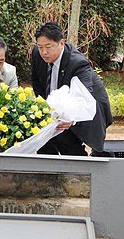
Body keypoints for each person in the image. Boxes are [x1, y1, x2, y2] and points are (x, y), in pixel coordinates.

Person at [31, 22, 113, 157]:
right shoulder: (37, 54)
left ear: (61, 43)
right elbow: (36, 82)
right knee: (44, 139)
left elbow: (84, 96)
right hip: (57, 110)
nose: (44, 52)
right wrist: (45, 109)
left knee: (69, 144)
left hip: (87, 108)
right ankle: (47, 174)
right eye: (40, 47)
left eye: (48, 47)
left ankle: (80, 174)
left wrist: (71, 118)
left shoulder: (78, 63)